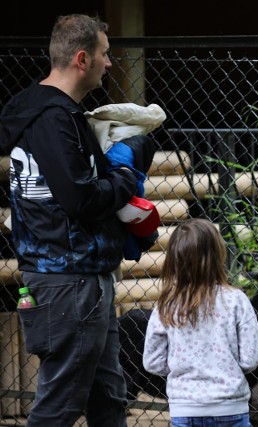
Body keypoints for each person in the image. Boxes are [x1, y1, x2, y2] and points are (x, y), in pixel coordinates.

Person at [0, 14, 156, 426]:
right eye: (105, 54)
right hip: (69, 279)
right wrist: (124, 177)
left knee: (108, 399)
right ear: (83, 58)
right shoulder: (53, 119)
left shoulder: (46, 113)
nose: (110, 63)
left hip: (77, 275)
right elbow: (81, 198)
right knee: (60, 406)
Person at [143, 218, 258, 427]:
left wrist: (181, 369)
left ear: (173, 259)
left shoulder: (166, 305)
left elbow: (152, 361)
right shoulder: (236, 300)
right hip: (230, 407)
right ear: (218, 255)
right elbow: (250, 359)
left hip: (184, 408)